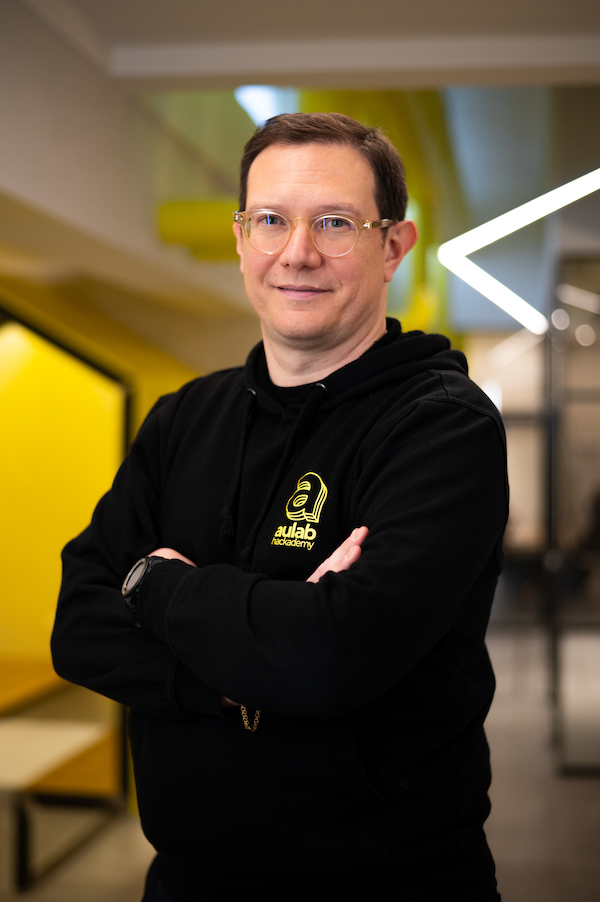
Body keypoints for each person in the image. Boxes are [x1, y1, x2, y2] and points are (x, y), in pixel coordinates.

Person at [52, 112, 507, 902]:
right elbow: (77, 627)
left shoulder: (441, 426)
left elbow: (328, 658)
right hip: (186, 881)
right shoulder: (184, 418)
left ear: (394, 246)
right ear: (239, 239)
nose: (297, 252)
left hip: (390, 884)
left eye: (334, 223)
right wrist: (250, 663)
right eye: (270, 220)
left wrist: (156, 588)